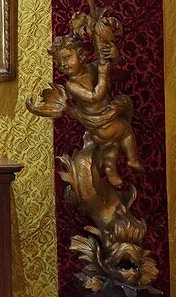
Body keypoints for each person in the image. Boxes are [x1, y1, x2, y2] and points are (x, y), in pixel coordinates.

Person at [41, 34, 143, 188]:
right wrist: (102, 75)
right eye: (59, 63)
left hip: (106, 124)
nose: (64, 64)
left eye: (67, 57)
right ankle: (132, 159)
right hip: (101, 123)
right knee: (126, 131)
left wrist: (113, 55)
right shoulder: (71, 85)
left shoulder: (92, 68)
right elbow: (95, 97)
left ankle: (112, 174)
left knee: (111, 152)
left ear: (81, 55)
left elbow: (108, 64)